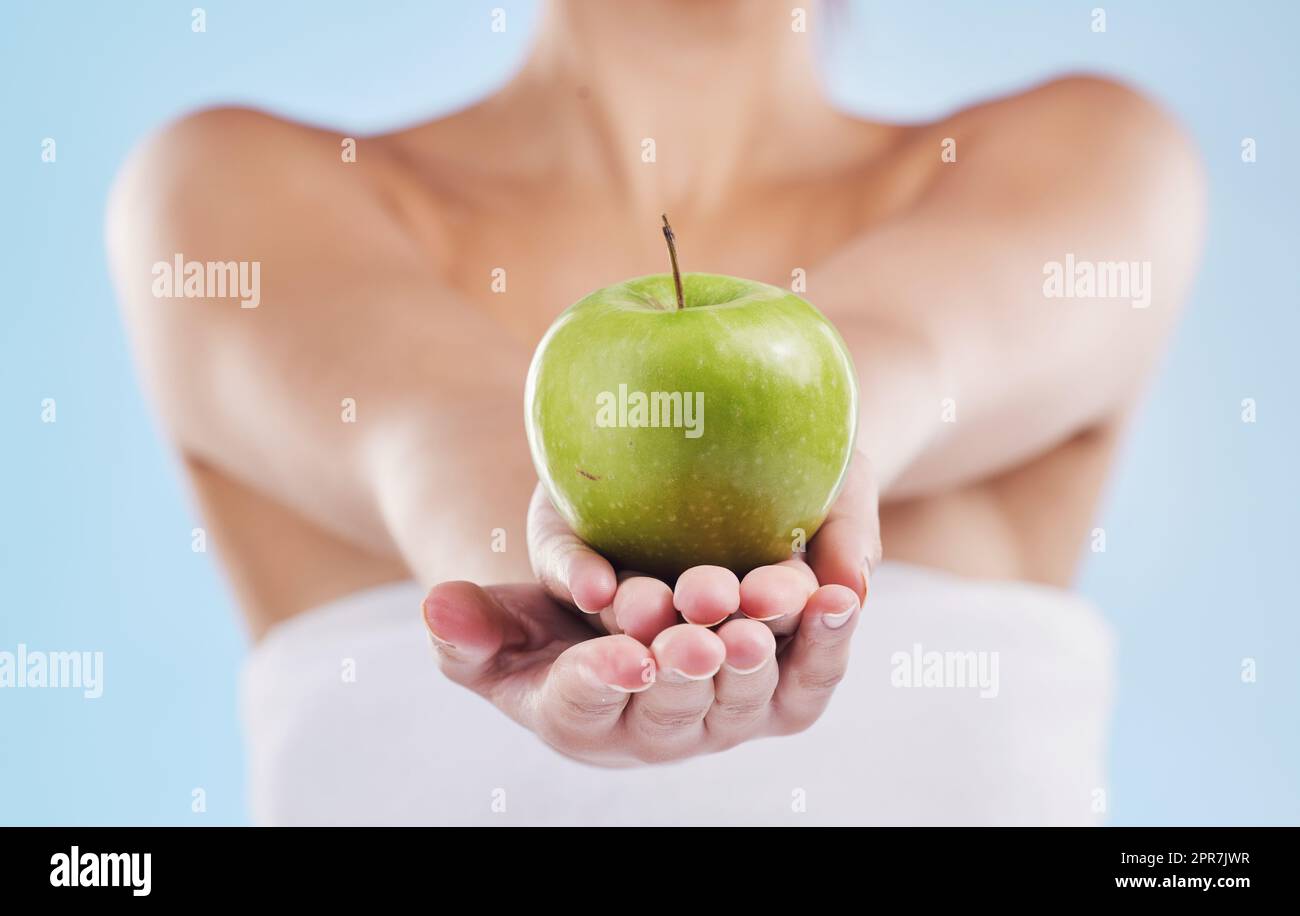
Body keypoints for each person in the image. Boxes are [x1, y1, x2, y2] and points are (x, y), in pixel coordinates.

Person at [107, 0, 1204, 823]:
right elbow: (434, 431)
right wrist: (566, 566)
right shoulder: (232, 189)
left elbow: (903, 347)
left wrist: (824, 452)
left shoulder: (1083, 156)